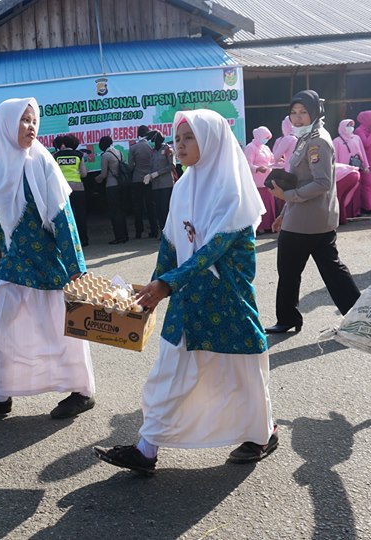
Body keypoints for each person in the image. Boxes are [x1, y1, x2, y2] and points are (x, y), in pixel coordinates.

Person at [94, 109, 276, 474]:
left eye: (189, 137)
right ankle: (146, 450)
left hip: (225, 301)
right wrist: (150, 289)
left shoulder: (232, 188)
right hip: (187, 299)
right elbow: (171, 243)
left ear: (211, 140)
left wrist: (167, 284)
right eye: (177, 139)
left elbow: (215, 248)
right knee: (168, 370)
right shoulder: (182, 186)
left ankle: (262, 432)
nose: (180, 146)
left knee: (240, 372)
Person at [0, 97, 95, 420]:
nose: (31, 126)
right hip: (14, 264)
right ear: (6, 125)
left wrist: (77, 267)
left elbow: (63, 216)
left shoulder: (41, 163)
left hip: (48, 262)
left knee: (61, 330)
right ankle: (1, 394)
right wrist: (2, 251)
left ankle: (83, 392)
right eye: (23, 120)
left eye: (34, 120)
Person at [265, 90, 361, 334]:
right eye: (293, 113)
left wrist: (286, 198)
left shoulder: (316, 140)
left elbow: (322, 183)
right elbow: (298, 179)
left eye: (303, 113)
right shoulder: (305, 137)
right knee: (332, 270)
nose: (297, 118)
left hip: (305, 221)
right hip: (309, 218)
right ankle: (359, 316)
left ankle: (288, 318)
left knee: (289, 271)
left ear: (315, 112)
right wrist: (284, 211)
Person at [53, 135, 89, 246]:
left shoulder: (56, 156)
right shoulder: (79, 155)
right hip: (78, 188)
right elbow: (84, 173)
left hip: (62, 189)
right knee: (80, 215)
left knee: (66, 215)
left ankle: (69, 240)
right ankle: (83, 239)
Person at [333, 119, 370, 221]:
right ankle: (346, 213)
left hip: (356, 169)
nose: (350, 128)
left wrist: (365, 165)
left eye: (351, 125)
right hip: (343, 172)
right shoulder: (336, 141)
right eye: (347, 125)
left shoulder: (356, 138)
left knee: (356, 191)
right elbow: (334, 158)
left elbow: (362, 152)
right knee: (345, 192)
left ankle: (356, 212)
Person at [95, 136, 128, 244]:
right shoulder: (119, 152)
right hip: (122, 184)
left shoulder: (106, 155)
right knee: (122, 211)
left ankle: (119, 237)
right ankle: (125, 235)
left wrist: (97, 179)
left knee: (114, 212)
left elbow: (103, 174)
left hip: (111, 185)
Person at [244, 126, 277, 233]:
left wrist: (278, 162)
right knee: (260, 204)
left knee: (269, 203)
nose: (266, 139)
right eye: (265, 137)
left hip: (268, 180)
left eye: (268, 138)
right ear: (259, 136)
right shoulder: (250, 147)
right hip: (257, 182)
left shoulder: (265, 148)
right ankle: (259, 227)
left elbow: (272, 159)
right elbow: (247, 163)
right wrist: (257, 168)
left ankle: (269, 226)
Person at [129, 125, 158, 239]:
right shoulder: (151, 147)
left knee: (138, 206)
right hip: (150, 178)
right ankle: (154, 230)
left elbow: (131, 166)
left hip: (137, 179)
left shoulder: (133, 148)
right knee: (151, 206)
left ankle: (138, 232)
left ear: (138, 134)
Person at [145, 130, 175, 232]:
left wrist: (158, 173)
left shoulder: (168, 149)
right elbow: (151, 166)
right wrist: (149, 175)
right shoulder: (153, 152)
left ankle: (169, 232)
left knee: (165, 209)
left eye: (152, 139)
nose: (151, 142)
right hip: (155, 185)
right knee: (158, 210)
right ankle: (162, 231)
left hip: (166, 184)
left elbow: (172, 165)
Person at [356, 110, 371, 212]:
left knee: (370, 185)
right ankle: (369, 207)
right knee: (367, 185)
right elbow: (365, 143)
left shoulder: (370, 130)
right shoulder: (359, 130)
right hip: (366, 162)